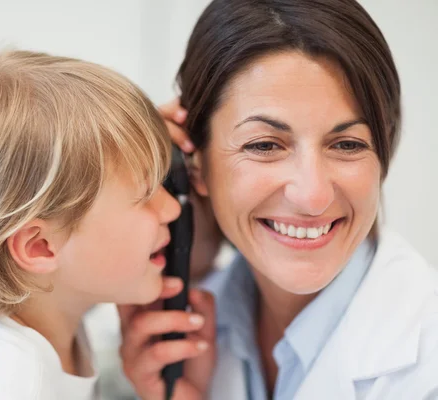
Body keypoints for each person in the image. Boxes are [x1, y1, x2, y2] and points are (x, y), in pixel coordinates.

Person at [118, 0, 438, 399]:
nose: (312, 196)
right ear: (192, 164)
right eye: (265, 145)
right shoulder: (173, 333)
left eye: (347, 144)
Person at [0, 38, 193, 400]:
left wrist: (139, 141)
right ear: (40, 247)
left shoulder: (40, 304)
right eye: (145, 194)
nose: (172, 208)